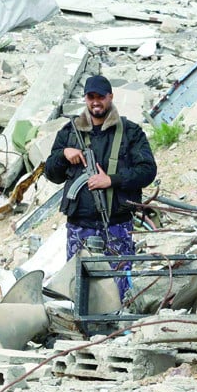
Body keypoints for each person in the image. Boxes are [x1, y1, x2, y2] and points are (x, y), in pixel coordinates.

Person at [44, 75, 157, 300]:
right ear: (85, 99)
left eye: (101, 97)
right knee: (78, 286)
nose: (96, 102)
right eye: (91, 97)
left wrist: (112, 180)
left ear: (110, 97)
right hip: (80, 226)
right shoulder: (70, 131)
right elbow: (51, 174)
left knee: (120, 287)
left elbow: (147, 170)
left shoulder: (130, 132)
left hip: (117, 223)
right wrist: (63, 155)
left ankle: (119, 328)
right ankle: (84, 330)